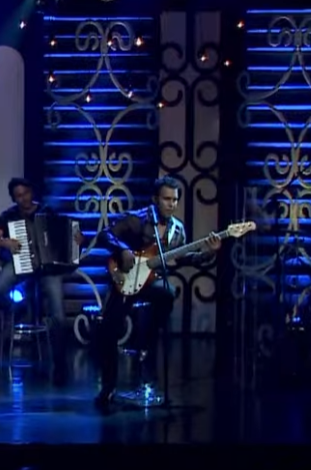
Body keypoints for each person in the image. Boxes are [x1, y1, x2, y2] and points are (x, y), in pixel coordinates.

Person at [93, 176, 220, 412]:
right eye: (166, 199)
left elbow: (183, 259)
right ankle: (108, 386)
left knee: (168, 293)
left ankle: (147, 338)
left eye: (175, 200)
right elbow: (106, 234)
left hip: (152, 282)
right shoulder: (137, 219)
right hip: (126, 279)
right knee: (109, 329)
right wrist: (124, 249)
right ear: (155, 199)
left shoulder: (177, 230)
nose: (171, 204)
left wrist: (208, 253)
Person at [0, 178, 84, 385]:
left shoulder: (48, 212)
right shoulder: (9, 216)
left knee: (58, 312)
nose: (23, 199)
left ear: (31, 192)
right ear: (14, 198)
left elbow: (70, 234)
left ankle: (59, 363)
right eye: (18, 196)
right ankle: (17, 309)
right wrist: (5, 242)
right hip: (21, 264)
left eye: (26, 194)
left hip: (48, 268)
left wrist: (77, 240)